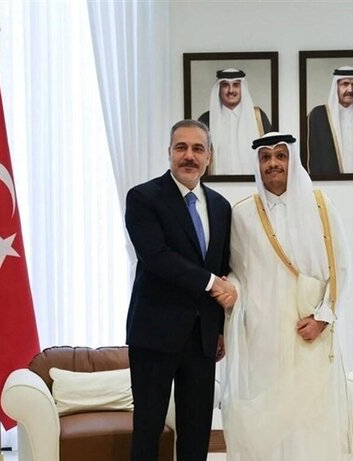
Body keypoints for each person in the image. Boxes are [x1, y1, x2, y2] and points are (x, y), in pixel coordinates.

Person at [221, 131, 353, 460]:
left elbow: (340, 267)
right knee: (268, 420)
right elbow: (239, 271)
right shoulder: (242, 214)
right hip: (262, 337)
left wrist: (323, 318)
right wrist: (231, 291)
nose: (273, 163)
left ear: (292, 160)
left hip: (308, 332)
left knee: (311, 419)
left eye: (281, 155)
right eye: (265, 157)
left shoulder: (319, 205)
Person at [124, 119, 236, 461]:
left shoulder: (221, 206)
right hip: (153, 334)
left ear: (209, 156)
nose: (189, 156)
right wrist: (211, 282)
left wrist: (219, 329)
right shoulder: (143, 197)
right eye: (181, 147)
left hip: (202, 338)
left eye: (198, 149)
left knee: (196, 432)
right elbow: (156, 257)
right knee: (148, 430)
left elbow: (222, 264)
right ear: (169, 152)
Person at [198, 69, 272, 175]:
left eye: (236, 85)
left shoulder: (258, 117)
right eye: (225, 85)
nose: (231, 90)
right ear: (219, 89)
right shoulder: (205, 120)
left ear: (242, 88)